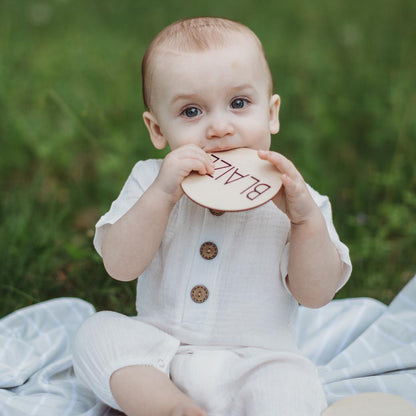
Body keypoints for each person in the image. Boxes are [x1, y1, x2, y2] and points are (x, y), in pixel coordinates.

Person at [73, 17, 352, 416]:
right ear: (157, 129)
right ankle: (171, 409)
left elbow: (316, 294)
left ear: (271, 113)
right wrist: (162, 197)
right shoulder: (151, 180)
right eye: (191, 111)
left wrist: (305, 222)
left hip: (254, 363)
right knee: (95, 334)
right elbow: (119, 266)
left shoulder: (298, 202)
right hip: (159, 356)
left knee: (293, 383)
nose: (219, 128)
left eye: (239, 104)